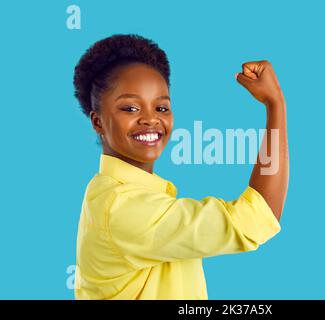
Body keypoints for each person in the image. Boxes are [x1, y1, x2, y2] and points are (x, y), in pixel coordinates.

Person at [73, 34, 289, 299]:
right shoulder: (121, 208)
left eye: (161, 108)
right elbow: (255, 219)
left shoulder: (115, 193)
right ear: (97, 122)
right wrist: (275, 104)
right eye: (130, 108)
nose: (150, 120)